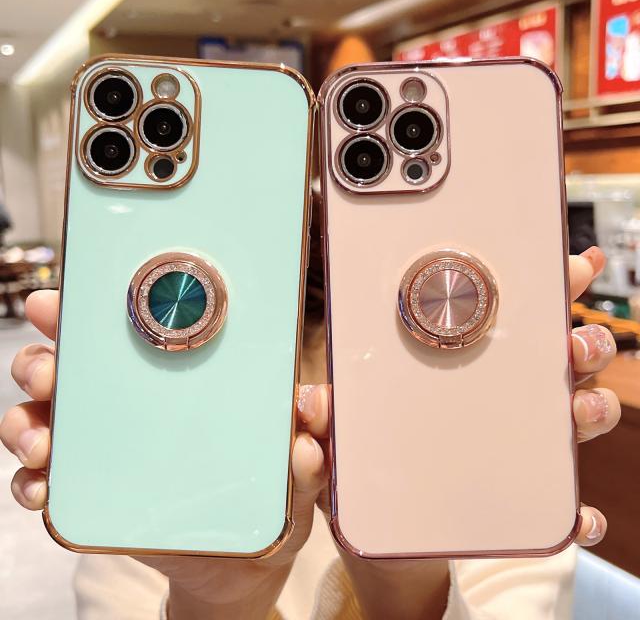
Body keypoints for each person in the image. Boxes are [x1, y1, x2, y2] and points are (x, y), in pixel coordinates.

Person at [1, 245, 620, 619]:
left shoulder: (486, 469)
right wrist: (218, 606)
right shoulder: (153, 495)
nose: (314, 414)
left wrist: (403, 578)